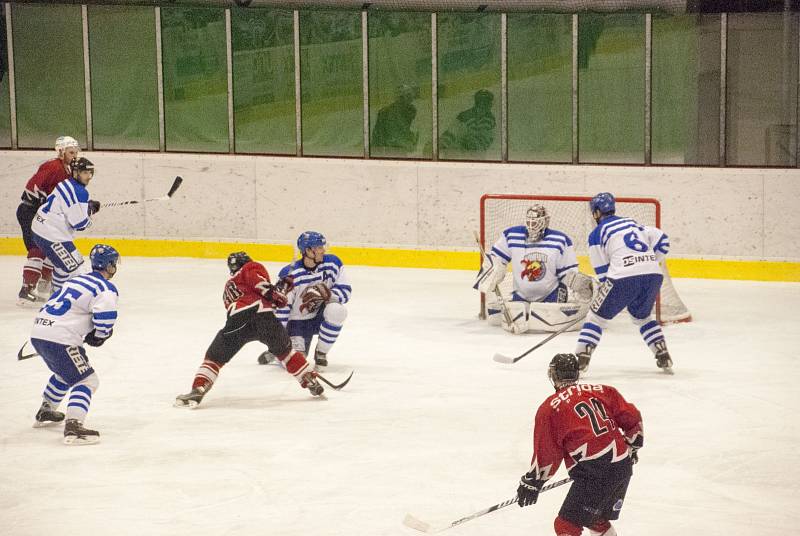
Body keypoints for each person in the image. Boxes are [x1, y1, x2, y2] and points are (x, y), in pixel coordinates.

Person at [175, 252, 324, 408]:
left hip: (238, 322)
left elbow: (255, 298)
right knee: (286, 353)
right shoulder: (251, 267)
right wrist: (279, 292)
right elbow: (264, 290)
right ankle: (308, 378)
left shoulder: (229, 287)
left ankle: (199, 387)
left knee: (214, 358)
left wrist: (280, 290)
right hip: (264, 319)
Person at [516, 353, 643, 536]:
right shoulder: (602, 390)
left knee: (565, 526)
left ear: (553, 375)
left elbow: (548, 452)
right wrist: (633, 446)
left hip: (595, 474)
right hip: (622, 467)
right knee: (595, 520)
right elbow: (631, 418)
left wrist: (533, 481)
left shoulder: (550, 408)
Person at [29, 244, 121, 445]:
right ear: (111, 266)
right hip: (61, 337)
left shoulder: (76, 280)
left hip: (39, 331)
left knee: (65, 372)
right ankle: (74, 426)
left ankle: (46, 409)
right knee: (87, 381)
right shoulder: (105, 288)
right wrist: (100, 335)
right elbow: (105, 318)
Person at [574, 192, 673, 373]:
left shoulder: (597, 233)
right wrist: (647, 260)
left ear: (596, 212)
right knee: (642, 317)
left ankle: (580, 360)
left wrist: (612, 287)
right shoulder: (633, 223)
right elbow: (663, 240)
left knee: (595, 317)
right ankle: (662, 354)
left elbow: (603, 275)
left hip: (622, 277)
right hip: (653, 275)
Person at [475, 205, 594, 333]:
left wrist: (580, 284)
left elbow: (568, 274)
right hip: (521, 295)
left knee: (547, 326)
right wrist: (494, 269)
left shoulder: (560, 240)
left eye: (536, 223)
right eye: (529, 222)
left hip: (551, 294)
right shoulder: (511, 235)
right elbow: (496, 259)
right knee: (500, 319)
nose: (532, 226)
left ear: (546, 221)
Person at [257, 232, 351, 369]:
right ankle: (277, 351)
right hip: (297, 324)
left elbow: (346, 291)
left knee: (337, 310)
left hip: (319, 317)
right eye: (318, 248)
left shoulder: (333, 263)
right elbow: (281, 310)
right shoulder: (290, 275)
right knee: (298, 361)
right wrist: (279, 340)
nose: (323, 250)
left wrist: (328, 295)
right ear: (307, 250)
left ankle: (321, 353)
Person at [16, 135, 80, 305]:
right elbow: (32, 188)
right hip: (30, 211)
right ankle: (26, 289)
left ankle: (45, 283)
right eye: (71, 152)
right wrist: (42, 204)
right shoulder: (53, 167)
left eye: (76, 152)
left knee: (51, 244)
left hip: (41, 214)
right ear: (61, 152)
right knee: (37, 248)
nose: (75, 155)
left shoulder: (67, 170)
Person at [30, 157, 101, 296]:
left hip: (40, 228)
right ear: (75, 173)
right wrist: (90, 212)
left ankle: (54, 293)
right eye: (85, 173)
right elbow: (79, 224)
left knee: (66, 267)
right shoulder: (80, 192)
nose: (89, 177)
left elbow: (66, 206)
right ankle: (57, 298)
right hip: (51, 235)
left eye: (90, 173)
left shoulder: (65, 183)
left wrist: (86, 207)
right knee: (75, 267)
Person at [440, 89, 496, 155]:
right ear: (476, 103)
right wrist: (441, 143)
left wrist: (475, 144)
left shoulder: (490, 119)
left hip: (474, 154)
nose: (483, 106)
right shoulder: (465, 116)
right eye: (481, 102)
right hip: (458, 150)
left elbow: (488, 139)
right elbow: (452, 132)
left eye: (487, 104)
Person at [371, 84, 419, 156]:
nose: (410, 100)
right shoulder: (389, 113)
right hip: (386, 150)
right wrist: (407, 143)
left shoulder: (410, 110)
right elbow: (393, 135)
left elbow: (402, 129)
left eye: (410, 97)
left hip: (393, 147)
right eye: (407, 97)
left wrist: (410, 137)